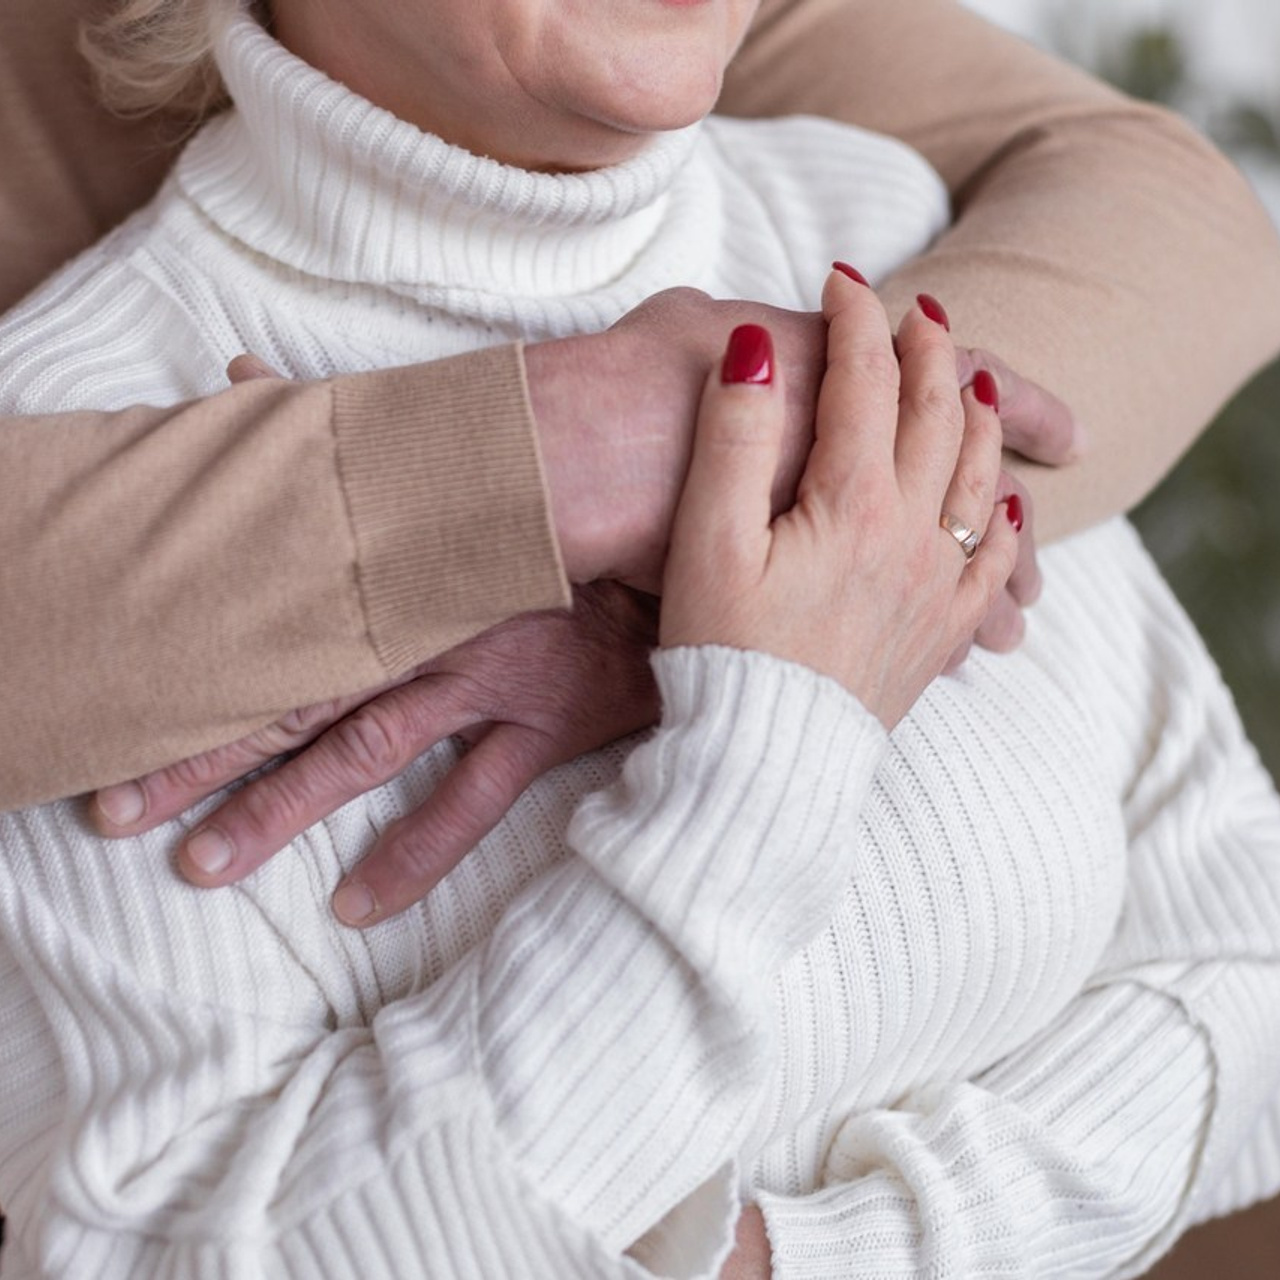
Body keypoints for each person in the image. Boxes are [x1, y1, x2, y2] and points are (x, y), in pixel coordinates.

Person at [3, 5, 1280, 1279]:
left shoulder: (881, 224)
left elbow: (1243, 956)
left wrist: (818, 1253)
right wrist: (762, 744)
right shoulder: (84, 422)